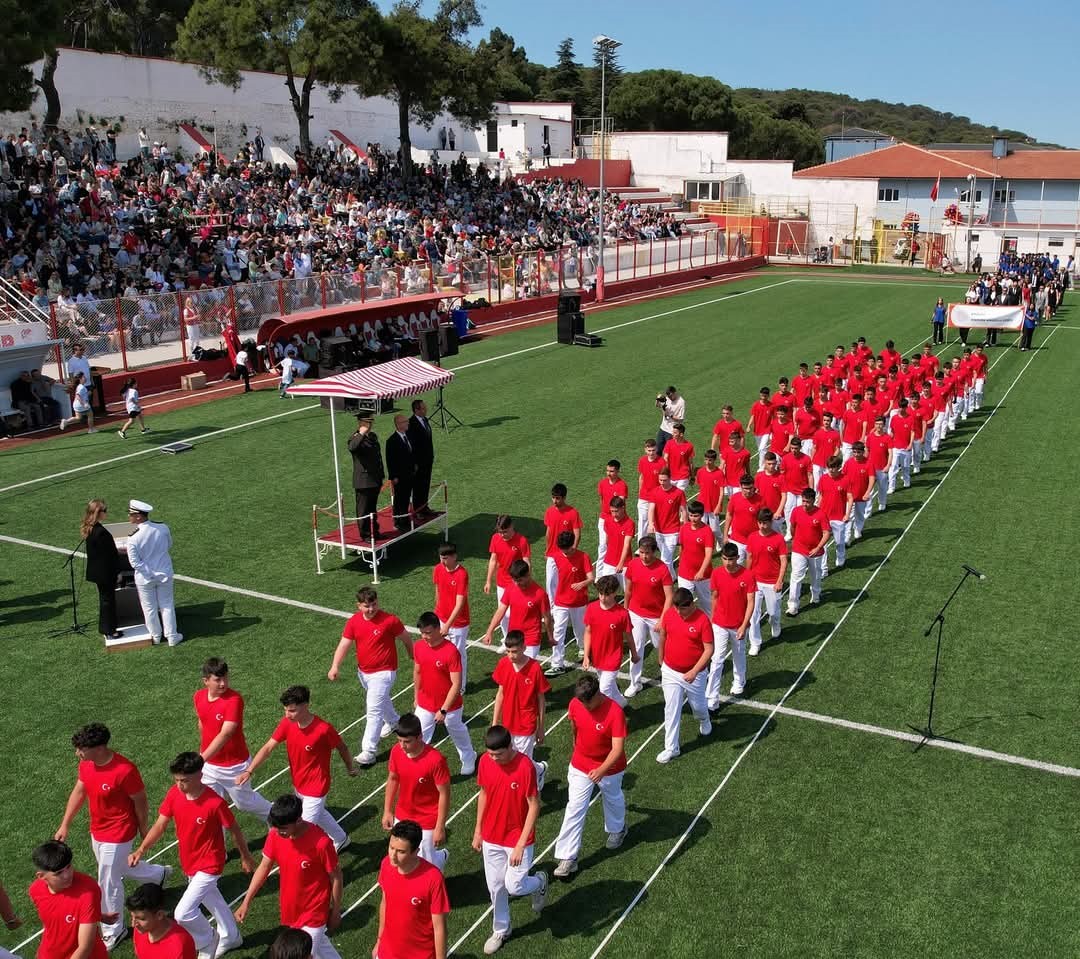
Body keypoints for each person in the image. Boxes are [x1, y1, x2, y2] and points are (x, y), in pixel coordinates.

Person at [54, 724, 170, 952]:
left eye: (81, 749)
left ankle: (114, 930)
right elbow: (79, 791)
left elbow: (141, 801)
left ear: (98, 748)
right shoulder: (86, 765)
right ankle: (159, 874)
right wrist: (65, 824)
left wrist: (143, 829)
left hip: (120, 831)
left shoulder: (125, 770)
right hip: (97, 829)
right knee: (116, 868)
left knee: (108, 880)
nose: (77, 753)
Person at [128, 753, 256, 959]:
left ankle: (208, 939)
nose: (180, 785)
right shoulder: (173, 794)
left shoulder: (214, 803)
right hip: (190, 863)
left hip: (210, 864)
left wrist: (245, 856)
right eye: (177, 780)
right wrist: (141, 850)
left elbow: (234, 830)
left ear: (199, 775)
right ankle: (232, 937)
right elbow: (161, 825)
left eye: (185, 780)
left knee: (183, 913)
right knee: (212, 900)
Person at [241, 686, 358, 850]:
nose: (287, 715)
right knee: (321, 814)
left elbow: (342, 747)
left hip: (317, 788)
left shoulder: (323, 729)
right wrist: (249, 770)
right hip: (299, 785)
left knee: (299, 833)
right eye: (285, 710)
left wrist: (350, 768)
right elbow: (268, 748)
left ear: (306, 705)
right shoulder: (287, 724)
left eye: (292, 710)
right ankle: (341, 838)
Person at [234, 795, 343, 959]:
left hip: (315, 912)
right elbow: (264, 867)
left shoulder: (321, 843)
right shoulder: (275, 835)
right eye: (276, 827)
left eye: (283, 828)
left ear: (299, 820)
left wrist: (335, 911)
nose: (278, 832)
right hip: (291, 908)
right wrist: (246, 902)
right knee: (321, 949)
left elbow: (336, 877)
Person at [471, 725, 548, 955]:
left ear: (510, 746)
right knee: (495, 888)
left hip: (517, 838)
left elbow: (534, 805)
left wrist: (520, 844)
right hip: (492, 836)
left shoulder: (525, 767)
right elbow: (483, 794)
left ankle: (540, 882)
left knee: (514, 886)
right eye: (491, 754)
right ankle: (501, 929)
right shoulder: (485, 762)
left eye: (499, 754)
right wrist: (478, 830)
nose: (494, 758)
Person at [552, 674, 628, 878]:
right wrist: (577, 748)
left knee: (613, 798)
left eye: (588, 703)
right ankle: (568, 857)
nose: (585, 706)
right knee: (575, 807)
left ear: (598, 694)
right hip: (581, 764)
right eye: (582, 702)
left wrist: (601, 770)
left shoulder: (614, 712)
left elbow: (617, 749)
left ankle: (618, 829)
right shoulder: (576, 704)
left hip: (610, 768)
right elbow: (573, 727)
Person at [329, 587, 412, 767]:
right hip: (364, 672)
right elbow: (344, 644)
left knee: (373, 709)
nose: (371, 609)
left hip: (384, 672)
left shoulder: (390, 620)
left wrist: (412, 654)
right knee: (381, 700)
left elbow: (405, 638)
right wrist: (335, 666)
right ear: (359, 606)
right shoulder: (353, 622)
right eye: (367, 606)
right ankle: (393, 721)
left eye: (374, 604)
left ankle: (369, 751)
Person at [193, 658, 273, 822]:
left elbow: (226, 733)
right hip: (209, 765)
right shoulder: (198, 697)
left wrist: (200, 759)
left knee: (245, 804)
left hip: (234, 766)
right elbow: (202, 723)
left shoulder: (234, 700)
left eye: (226, 678)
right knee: (212, 807)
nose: (223, 683)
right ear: (206, 681)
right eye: (218, 680)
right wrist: (204, 755)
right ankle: (218, 846)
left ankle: (278, 816)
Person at [382, 714, 452, 871]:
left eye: (407, 741)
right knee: (403, 857)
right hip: (403, 815)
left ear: (420, 737)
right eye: (399, 740)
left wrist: (440, 827)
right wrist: (387, 810)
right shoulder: (396, 752)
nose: (402, 745)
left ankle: (437, 871)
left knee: (427, 863)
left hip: (427, 819)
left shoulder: (435, 760)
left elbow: (444, 794)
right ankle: (439, 857)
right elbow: (393, 779)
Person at [374, 821, 450, 959]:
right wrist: (379, 940)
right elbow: (385, 903)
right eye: (391, 848)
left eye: (401, 851)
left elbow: (439, 927)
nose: (393, 855)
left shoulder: (433, 878)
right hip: (387, 952)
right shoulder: (386, 864)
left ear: (416, 851)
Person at [413, 612, 477, 774]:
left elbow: (456, 684)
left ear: (438, 629)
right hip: (425, 702)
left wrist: (443, 709)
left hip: (450, 705)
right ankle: (420, 766)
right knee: (419, 735)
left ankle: (469, 757)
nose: (425, 636)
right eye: (422, 633)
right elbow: (417, 672)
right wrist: (416, 697)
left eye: (428, 632)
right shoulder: (419, 646)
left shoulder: (451, 652)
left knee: (455, 729)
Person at [656, 587, 713, 763]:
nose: (679, 612)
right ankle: (671, 748)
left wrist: (694, 671)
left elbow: (709, 649)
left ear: (691, 604)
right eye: (676, 607)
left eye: (682, 608)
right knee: (671, 708)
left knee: (699, 707)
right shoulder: (670, 614)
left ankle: (704, 719)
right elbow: (663, 636)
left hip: (695, 675)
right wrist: (661, 659)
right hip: (670, 671)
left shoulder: (703, 620)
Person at [490, 630, 550, 791]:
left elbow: (541, 699)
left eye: (514, 651)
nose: (511, 655)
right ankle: (540, 770)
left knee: (521, 762)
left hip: (526, 723)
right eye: (508, 651)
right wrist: (495, 722)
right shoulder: (503, 664)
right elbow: (500, 694)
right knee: (513, 757)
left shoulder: (535, 668)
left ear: (524, 647)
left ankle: (526, 791)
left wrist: (541, 727)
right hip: (508, 722)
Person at [29, 841, 108, 959]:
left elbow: (85, 947)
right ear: (41, 876)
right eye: (59, 873)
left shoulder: (88, 891)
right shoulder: (35, 890)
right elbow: (53, 922)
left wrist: (94, 915)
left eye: (68, 867)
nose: (67, 875)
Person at [622, 535, 674, 697]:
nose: (644, 556)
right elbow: (628, 590)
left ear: (654, 552)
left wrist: (662, 620)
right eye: (642, 552)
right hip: (636, 613)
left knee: (663, 648)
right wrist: (625, 611)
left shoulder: (662, 569)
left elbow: (669, 597)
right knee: (636, 648)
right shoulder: (633, 565)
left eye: (647, 553)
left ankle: (669, 678)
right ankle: (635, 683)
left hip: (656, 617)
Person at [126, 499, 182, 646]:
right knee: (167, 605)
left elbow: (135, 562)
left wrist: (150, 573)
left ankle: (156, 636)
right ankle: (172, 636)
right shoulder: (163, 527)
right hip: (164, 573)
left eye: (131, 514)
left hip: (145, 578)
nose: (128, 517)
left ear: (139, 516)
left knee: (149, 607)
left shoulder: (133, 537)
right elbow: (169, 544)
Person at [582, 575, 638, 706]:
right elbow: (588, 632)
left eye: (606, 594)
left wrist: (634, 654)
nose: (602, 598)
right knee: (610, 686)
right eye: (600, 593)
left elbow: (629, 636)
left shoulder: (622, 614)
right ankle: (622, 703)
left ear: (615, 593)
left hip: (613, 658)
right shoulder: (591, 608)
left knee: (603, 690)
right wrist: (586, 656)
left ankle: (609, 716)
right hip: (597, 656)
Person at [482, 560, 552, 660]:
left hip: (531, 639)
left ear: (528, 575)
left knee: (524, 669)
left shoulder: (540, 594)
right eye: (514, 580)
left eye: (519, 580)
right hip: (513, 639)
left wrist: (550, 636)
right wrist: (489, 632)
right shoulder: (510, 588)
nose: (516, 583)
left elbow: (547, 617)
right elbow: (500, 611)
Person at [548, 530, 594, 676]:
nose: (565, 552)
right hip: (561, 603)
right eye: (562, 549)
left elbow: (591, 578)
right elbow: (551, 582)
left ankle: (582, 647)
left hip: (579, 602)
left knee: (580, 629)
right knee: (558, 632)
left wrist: (582, 583)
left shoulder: (583, 557)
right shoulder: (555, 558)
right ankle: (557, 664)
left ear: (572, 545)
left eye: (566, 549)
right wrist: (552, 602)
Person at [744, 509, 787, 656]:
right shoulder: (752, 537)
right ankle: (755, 643)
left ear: (771, 522)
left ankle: (775, 623)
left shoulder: (778, 539)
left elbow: (783, 561)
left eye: (765, 523)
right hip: (755, 582)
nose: (762, 526)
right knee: (753, 614)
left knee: (773, 611)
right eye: (760, 523)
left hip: (772, 582)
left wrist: (780, 580)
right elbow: (749, 558)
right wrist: (746, 577)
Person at [483, 516, 531, 641]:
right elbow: (493, 560)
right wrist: (488, 581)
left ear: (512, 527)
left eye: (505, 531)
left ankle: (520, 638)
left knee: (514, 613)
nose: (502, 535)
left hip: (517, 583)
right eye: (500, 531)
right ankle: (507, 639)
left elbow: (526, 562)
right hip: (501, 583)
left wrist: (526, 580)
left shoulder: (521, 541)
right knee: (503, 614)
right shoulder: (495, 539)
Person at [82, 499, 123, 640]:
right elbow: (109, 556)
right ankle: (110, 630)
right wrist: (117, 572)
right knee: (108, 601)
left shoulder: (91, 528)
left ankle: (106, 628)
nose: (107, 513)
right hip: (105, 572)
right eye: (104, 511)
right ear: (98, 513)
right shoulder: (100, 532)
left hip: (99, 572)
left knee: (105, 600)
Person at [787, 488, 830, 616]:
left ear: (813, 500)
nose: (804, 504)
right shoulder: (796, 511)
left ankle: (816, 595)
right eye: (803, 501)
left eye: (807, 502)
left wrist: (817, 547)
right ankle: (793, 606)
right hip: (799, 550)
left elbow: (826, 533)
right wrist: (795, 540)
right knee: (795, 577)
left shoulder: (821, 514)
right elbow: (792, 527)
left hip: (815, 553)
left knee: (815, 575)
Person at [126, 883, 196, 959]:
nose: (133, 924)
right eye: (132, 917)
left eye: (141, 919)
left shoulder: (179, 946)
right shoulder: (140, 930)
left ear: (159, 915)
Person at [432, 542, 469, 686]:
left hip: (458, 623)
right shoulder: (438, 569)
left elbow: (460, 604)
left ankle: (460, 686)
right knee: (443, 653)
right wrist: (437, 613)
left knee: (458, 655)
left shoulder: (462, 575)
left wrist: (447, 625)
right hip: (441, 618)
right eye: (441, 558)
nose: (443, 561)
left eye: (446, 558)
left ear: (454, 557)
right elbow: (438, 591)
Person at [542, 483, 582, 602]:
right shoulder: (549, 512)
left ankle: (568, 601)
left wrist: (573, 549)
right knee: (550, 581)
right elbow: (548, 533)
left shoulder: (573, 513)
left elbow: (577, 533)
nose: (555, 500)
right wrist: (547, 549)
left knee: (566, 580)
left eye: (557, 498)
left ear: (564, 498)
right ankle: (553, 608)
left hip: (566, 553)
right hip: (552, 553)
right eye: (553, 497)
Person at [349, 414, 384, 541]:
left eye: (370, 422)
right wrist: (361, 433)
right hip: (363, 481)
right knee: (363, 510)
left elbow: (377, 457)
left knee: (372, 509)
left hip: (375, 479)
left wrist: (381, 475)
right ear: (360, 423)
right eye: (366, 422)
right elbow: (352, 447)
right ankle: (365, 534)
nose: (369, 425)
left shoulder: (372, 437)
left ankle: (374, 531)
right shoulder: (356, 438)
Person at [676, 501, 714, 614]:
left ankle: (711, 628)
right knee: (682, 603)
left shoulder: (707, 531)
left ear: (702, 515)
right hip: (685, 574)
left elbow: (708, 554)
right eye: (691, 515)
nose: (693, 518)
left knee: (707, 605)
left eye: (696, 515)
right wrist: (680, 561)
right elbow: (682, 547)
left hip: (703, 576)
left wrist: (701, 571)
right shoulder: (684, 528)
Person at [647, 468, 687, 576]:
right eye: (660, 480)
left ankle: (665, 579)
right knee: (665, 556)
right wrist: (651, 523)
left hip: (673, 531)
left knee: (665, 558)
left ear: (670, 479)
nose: (662, 483)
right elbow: (651, 508)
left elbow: (684, 510)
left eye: (664, 480)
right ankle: (673, 576)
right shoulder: (654, 492)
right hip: (659, 531)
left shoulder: (678, 493)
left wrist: (686, 527)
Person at [816, 457, 853, 575]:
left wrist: (847, 514)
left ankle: (841, 557)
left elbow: (850, 498)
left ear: (839, 467)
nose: (831, 470)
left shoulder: (845, 479)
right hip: (824, 517)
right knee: (823, 545)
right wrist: (817, 510)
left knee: (839, 542)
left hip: (839, 517)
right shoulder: (823, 479)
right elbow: (821, 496)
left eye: (833, 467)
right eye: (829, 467)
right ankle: (824, 569)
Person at [385, 414, 416, 533]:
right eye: (405, 422)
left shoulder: (408, 436)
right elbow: (390, 460)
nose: (407, 423)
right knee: (399, 499)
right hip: (400, 476)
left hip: (409, 474)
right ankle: (399, 521)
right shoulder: (392, 441)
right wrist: (393, 476)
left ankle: (405, 518)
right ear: (398, 424)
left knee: (406, 497)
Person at [723, 474, 762, 563]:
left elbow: (764, 520)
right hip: (737, 539)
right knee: (735, 566)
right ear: (740, 487)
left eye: (751, 488)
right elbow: (729, 515)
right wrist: (725, 535)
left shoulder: (760, 500)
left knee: (754, 566)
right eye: (746, 488)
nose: (749, 491)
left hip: (754, 540)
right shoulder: (734, 498)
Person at [595, 459, 628, 565]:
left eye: (611, 471)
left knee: (618, 545)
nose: (609, 473)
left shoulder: (622, 485)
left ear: (618, 471)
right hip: (604, 518)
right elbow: (602, 499)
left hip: (617, 520)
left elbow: (621, 504)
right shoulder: (602, 483)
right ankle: (599, 576)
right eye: (607, 471)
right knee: (603, 545)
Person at [597, 495, 635, 584]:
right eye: (612, 511)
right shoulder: (607, 521)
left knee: (628, 591)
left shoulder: (630, 524)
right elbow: (607, 540)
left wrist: (621, 563)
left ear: (623, 508)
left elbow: (626, 545)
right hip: (609, 561)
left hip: (625, 563)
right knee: (604, 589)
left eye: (616, 511)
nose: (614, 514)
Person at [407, 399, 436, 516]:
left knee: (426, 484)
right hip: (418, 462)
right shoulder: (411, 423)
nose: (426, 410)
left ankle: (424, 506)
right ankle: (418, 509)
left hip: (428, 460)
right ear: (416, 410)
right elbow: (412, 445)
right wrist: (414, 462)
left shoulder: (425, 420)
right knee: (418, 486)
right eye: (423, 408)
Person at [635, 438, 666, 539]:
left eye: (653, 450)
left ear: (656, 449)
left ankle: (659, 542)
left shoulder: (662, 462)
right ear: (645, 450)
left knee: (657, 520)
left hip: (657, 497)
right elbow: (641, 477)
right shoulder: (642, 461)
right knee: (642, 521)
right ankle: (641, 545)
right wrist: (640, 492)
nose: (651, 453)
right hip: (644, 496)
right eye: (649, 450)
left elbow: (664, 480)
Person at [695, 450, 727, 545]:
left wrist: (718, 506)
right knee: (702, 528)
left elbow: (721, 492)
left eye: (710, 460)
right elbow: (700, 488)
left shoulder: (719, 473)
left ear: (714, 460)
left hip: (714, 506)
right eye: (706, 460)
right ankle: (704, 546)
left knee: (715, 529)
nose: (707, 462)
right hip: (702, 505)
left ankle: (722, 544)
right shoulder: (700, 472)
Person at [887, 398, 915, 494]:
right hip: (895, 447)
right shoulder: (894, 418)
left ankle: (907, 481)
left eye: (903, 407)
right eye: (900, 407)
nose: (901, 409)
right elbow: (892, 432)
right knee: (893, 467)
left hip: (906, 448)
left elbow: (912, 432)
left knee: (905, 467)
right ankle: (891, 487)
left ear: (906, 407)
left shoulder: (911, 418)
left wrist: (911, 444)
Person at [865, 417, 892, 513]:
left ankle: (882, 503)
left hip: (882, 468)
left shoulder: (887, 437)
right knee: (869, 490)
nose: (878, 426)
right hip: (871, 468)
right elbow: (867, 451)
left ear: (884, 425)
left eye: (880, 424)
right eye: (877, 424)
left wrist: (888, 465)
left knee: (882, 487)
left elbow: (890, 452)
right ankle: (868, 511)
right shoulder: (870, 437)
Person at [663, 423, 694, 491]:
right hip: (671, 476)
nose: (672, 434)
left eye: (675, 432)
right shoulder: (669, 443)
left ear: (681, 434)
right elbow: (665, 458)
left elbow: (690, 462)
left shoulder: (689, 446)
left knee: (678, 496)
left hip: (683, 476)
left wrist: (692, 476)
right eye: (673, 432)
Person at [655, 386, 685, 455]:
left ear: (675, 393)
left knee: (669, 453)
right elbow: (657, 405)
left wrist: (670, 415)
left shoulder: (681, 402)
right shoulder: (667, 399)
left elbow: (680, 419)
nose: (670, 398)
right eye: (668, 396)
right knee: (657, 451)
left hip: (671, 432)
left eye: (671, 396)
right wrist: (657, 399)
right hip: (662, 428)